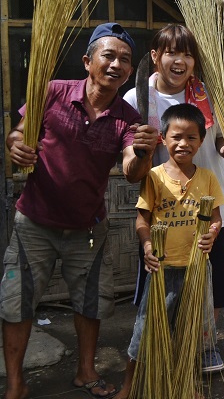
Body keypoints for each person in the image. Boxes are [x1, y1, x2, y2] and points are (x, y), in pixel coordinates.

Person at [0, 23, 158, 399]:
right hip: (34, 223)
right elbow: (20, 132)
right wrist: (15, 143)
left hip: (88, 228)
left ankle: (85, 372)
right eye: (109, 56)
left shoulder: (127, 117)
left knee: (90, 303)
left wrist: (144, 153)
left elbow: (132, 172)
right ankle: (16, 384)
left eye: (125, 59)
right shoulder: (53, 91)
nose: (117, 64)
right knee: (17, 301)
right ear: (88, 61)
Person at [123, 23, 224, 372]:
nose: (180, 61)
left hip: (212, 206)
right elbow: (130, 165)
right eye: (172, 53)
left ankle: (203, 344)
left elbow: (219, 139)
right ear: (155, 56)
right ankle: (165, 347)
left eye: (188, 54)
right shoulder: (137, 98)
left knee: (213, 285)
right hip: (168, 215)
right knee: (164, 287)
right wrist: (142, 151)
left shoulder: (208, 93)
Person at [114, 103, 224, 399]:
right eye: (176, 137)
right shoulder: (154, 177)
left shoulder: (207, 178)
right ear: (163, 139)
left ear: (201, 141)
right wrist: (148, 244)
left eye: (191, 137)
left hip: (196, 269)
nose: (183, 143)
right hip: (162, 269)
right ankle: (129, 387)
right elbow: (142, 220)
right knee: (145, 331)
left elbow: (216, 219)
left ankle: (187, 385)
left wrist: (212, 234)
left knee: (189, 333)